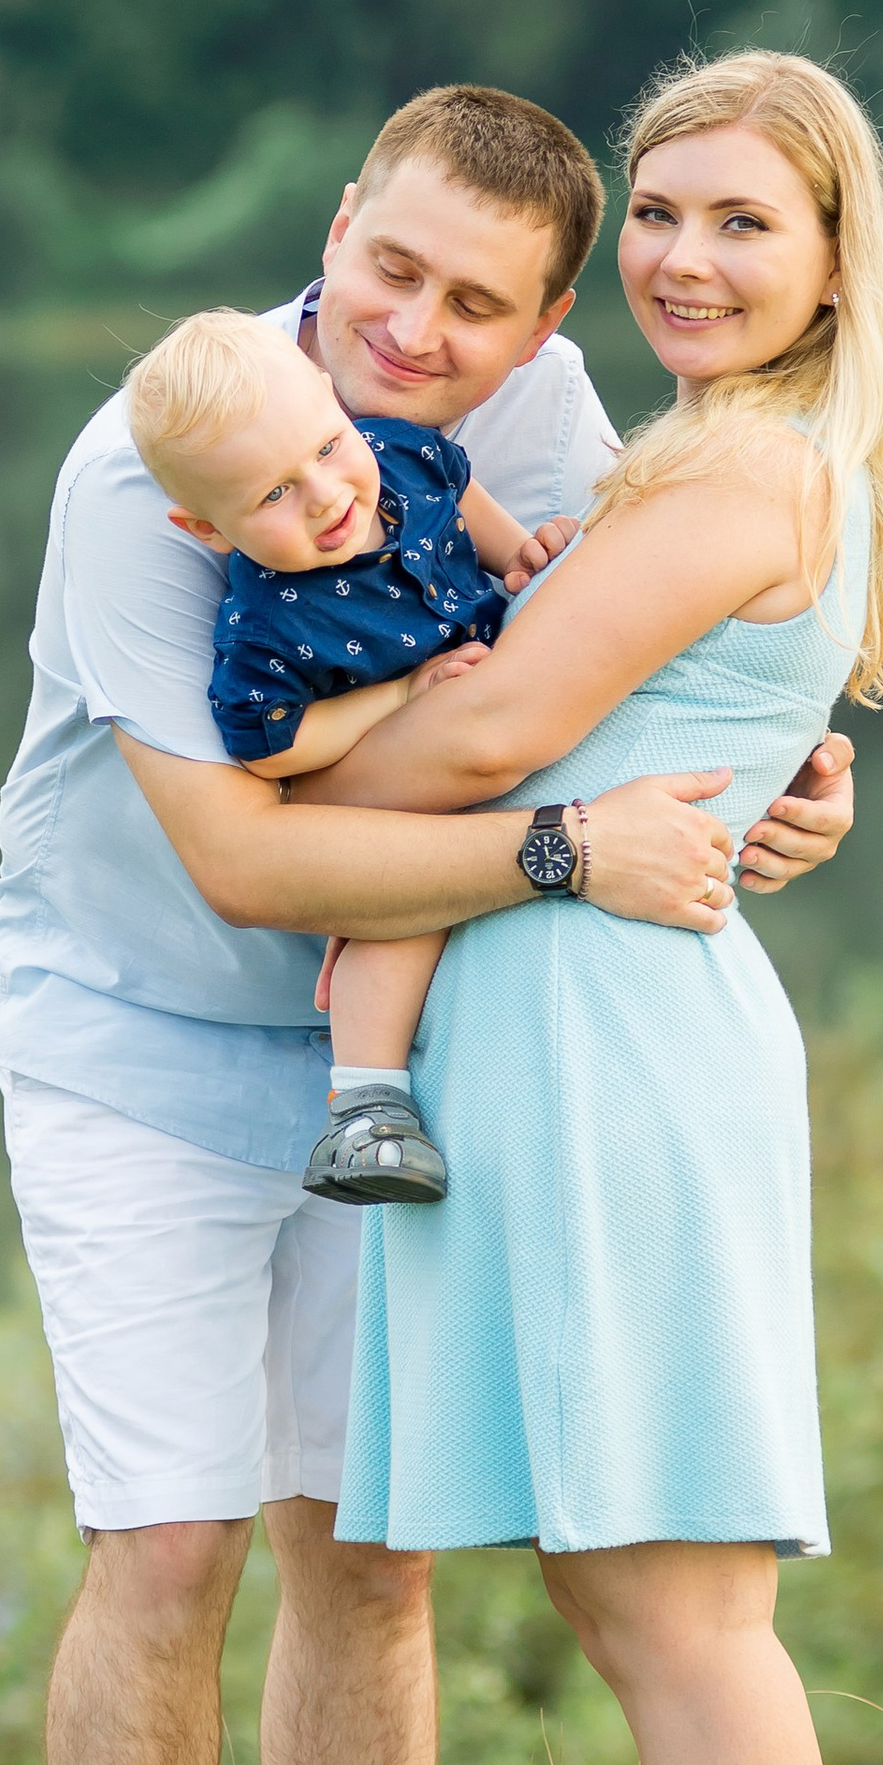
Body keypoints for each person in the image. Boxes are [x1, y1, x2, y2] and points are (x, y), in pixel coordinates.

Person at [0, 84, 860, 1765]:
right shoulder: (164, 453)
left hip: (408, 1047)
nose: (410, 331)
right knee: (168, 1540)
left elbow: (627, 672)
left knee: (363, 1565)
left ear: (545, 320)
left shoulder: (576, 421)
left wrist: (772, 790)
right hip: (143, 1036)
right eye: (385, 269)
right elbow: (237, 861)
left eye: (476, 301)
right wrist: (565, 840)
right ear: (333, 229)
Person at [309, 51, 883, 1765]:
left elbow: (493, 726)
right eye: (660, 215)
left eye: (739, 225)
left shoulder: (744, 476)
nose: (684, 258)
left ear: (828, 263)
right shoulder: (692, 459)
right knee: (639, 1606)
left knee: (684, 1617)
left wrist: (238, 779)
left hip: (610, 1035)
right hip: (567, 1009)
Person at [124, 303, 570, 1206]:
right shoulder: (270, 622)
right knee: (395, 924)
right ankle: (367, 1110)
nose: (326, 496)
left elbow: (455, 481)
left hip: (502, 723)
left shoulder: (390, 451)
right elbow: (269, 748)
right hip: (393, 798)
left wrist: (520, 551)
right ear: (207, 529)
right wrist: (397, 698)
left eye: (325, 449)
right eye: (271, 495)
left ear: (333, 403)